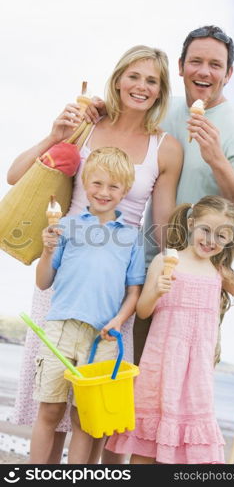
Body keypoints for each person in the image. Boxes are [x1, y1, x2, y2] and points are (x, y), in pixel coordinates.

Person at [8, 45, 183, 463]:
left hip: (114, 284)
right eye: (134, 76)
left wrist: (175, 271)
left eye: (152, 81)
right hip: (65, 266)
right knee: (49, 402)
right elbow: (17, 176)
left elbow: (161, 227)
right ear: (118, 77)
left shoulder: (167, 147)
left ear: (161, 92)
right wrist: (55, 134)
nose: (141, 87)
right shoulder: (86, 123)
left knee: (92, 410)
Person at [84, 26, 234, 366]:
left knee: (180, 381)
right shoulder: (163, 110)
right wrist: (99, 108)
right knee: (128, 374)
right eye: (195, 61)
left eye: (215, 64)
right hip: (144, 268)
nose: (204, 71)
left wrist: (217, 160)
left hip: (199, 278)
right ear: (181, 66)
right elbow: (124, 116)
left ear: (228, 74)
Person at [105, 195, 234, 464]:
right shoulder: (166, 260)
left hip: (196, 375)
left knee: (184, 453)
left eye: (222, 235)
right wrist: (157, 291)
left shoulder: (220, 271)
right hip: (162, 366)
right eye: (205, 230)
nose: (211, 240)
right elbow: (143, 311)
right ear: (191, 223)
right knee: (145, 450)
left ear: (230, 240)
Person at [31, 147, 145, 464]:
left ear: (125, 191)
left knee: (87, 419)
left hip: (103, 337)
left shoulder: (132, 239)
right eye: (97, 183)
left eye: (113, 186)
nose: (103, 192)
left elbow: (133, 292)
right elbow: (43, 281)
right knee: (50, 409)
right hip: (61, 329)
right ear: (84, 182)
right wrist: (45, 250)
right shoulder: (66, 227)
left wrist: (118, 321)